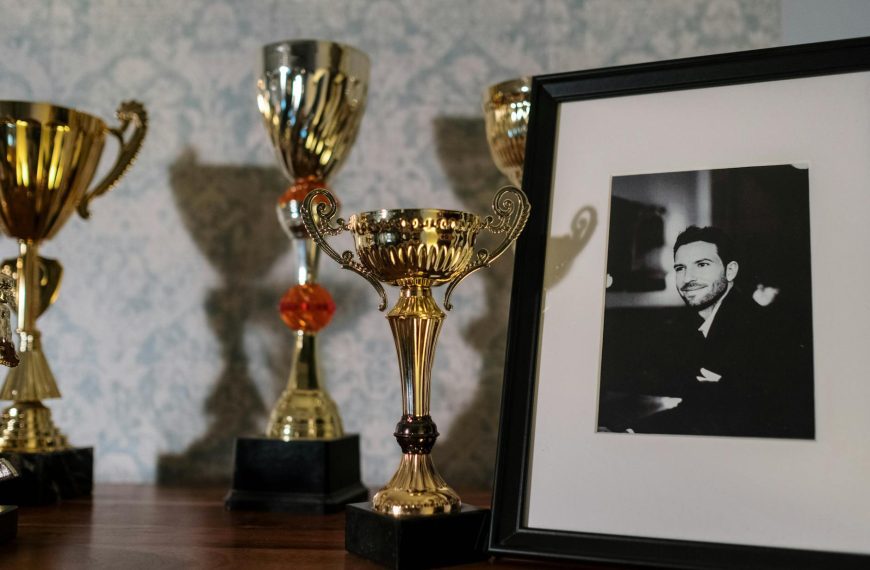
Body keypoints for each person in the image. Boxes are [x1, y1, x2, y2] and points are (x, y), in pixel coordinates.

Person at [624, 225, 814, 439]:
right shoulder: (696, 325)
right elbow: (695, 409)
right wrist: (630, 432)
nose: (687, 278)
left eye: (702, 265)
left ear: (730, 270)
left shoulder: (761, 330)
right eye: (680, 268)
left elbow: (738, 422)